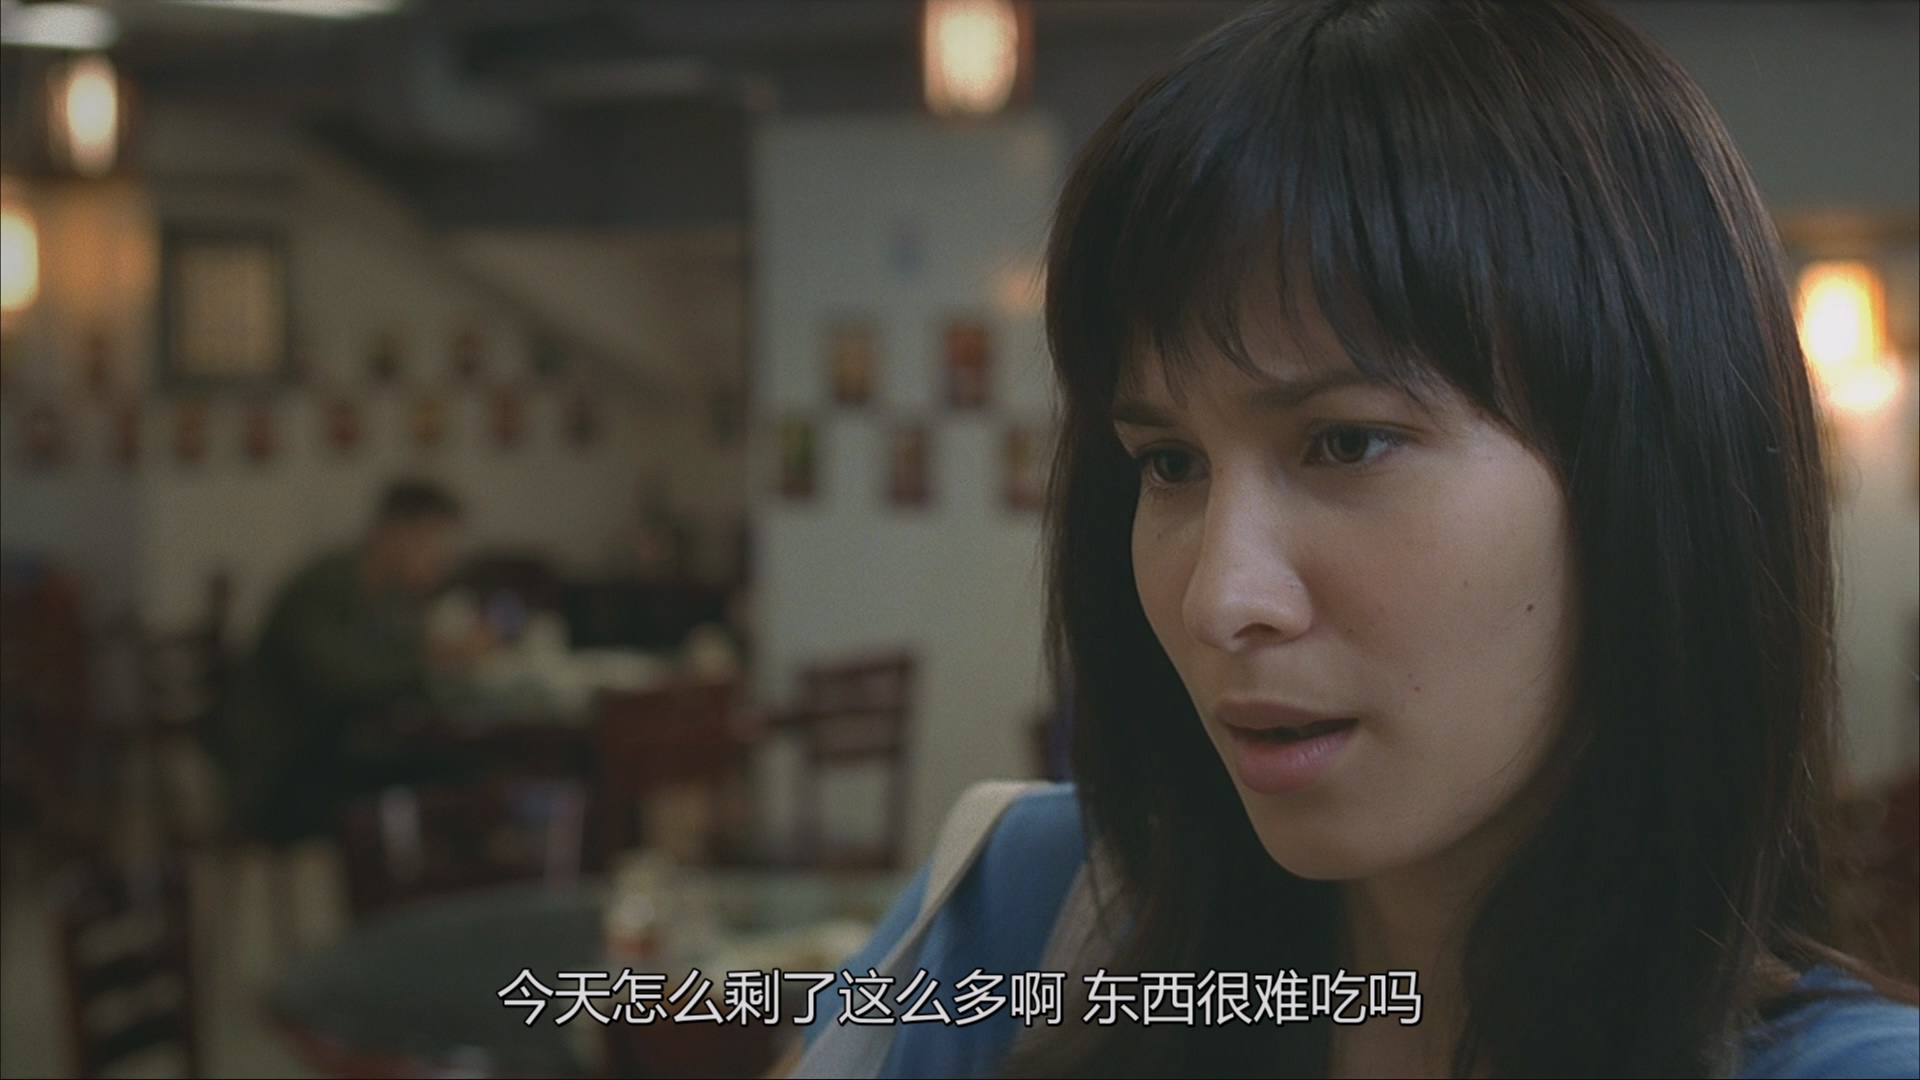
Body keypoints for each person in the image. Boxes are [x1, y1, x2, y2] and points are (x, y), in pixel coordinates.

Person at [784, 1, 1920, 1077]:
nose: (1220, 597)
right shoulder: (1025, 919)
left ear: (1645, 477)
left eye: (1346, 444)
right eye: (1170, 463)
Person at [212, 478, 492, 848]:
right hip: (281, 772)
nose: (443, 560)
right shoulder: (325, 585)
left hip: (330, 754)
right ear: (397, 534)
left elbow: (402, 671)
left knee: (463, 768)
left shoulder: (387, 594)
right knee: (449, 784)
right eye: (434, 544)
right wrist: (436, 656)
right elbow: (343, 680)